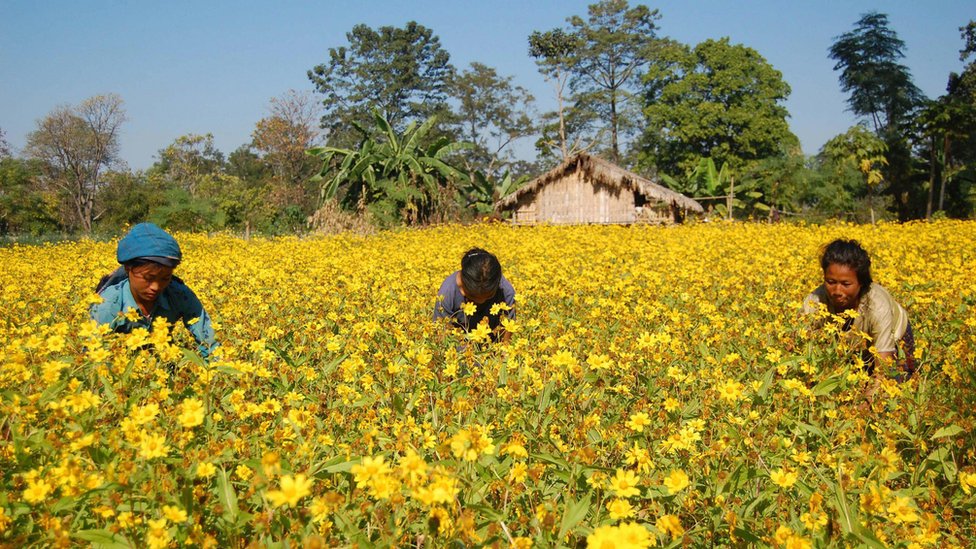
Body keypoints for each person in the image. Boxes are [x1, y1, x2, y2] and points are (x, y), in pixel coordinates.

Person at [90, 223, 217, 359]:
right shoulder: (106, 305)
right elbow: (93, 358)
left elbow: (211, 346)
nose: (156, 287)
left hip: (163, 364)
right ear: (128, 269)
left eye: (165, 278)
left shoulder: (180, 294)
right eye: (148, 278)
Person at [802, 239, 915, 382]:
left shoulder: (877, 305)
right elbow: (797, 344)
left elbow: (882, 372)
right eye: (831, 282)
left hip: (896, 338)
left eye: (846, 284)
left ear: (861, 282)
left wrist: (867, 401)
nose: (837, 291)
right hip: (853, 348)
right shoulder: (815, 300)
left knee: (896, 385)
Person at [434, 248, 516, 343]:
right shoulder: (447, 293)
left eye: (489, 296)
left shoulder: (505, 291)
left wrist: (502, 355)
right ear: (462, 279)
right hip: (458, 352)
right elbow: (442, 338)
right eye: (472, 296)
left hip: (492, 350)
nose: (480, 301)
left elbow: (506, 336)